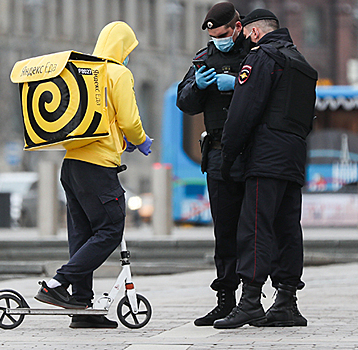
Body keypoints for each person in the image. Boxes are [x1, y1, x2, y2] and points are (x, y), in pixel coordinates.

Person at [34, 21, 152, 329]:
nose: (129, 56)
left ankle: (82, 307)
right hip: (98, 168)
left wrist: (118, 139)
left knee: (82, 235)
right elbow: (128, 118)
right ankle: (59, 284)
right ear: (123, 48)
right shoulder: (118, 73)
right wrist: (140, 140)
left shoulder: (83, 72)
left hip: (72, 166)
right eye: (129, 50)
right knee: (110, 229)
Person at [213, 9, 317, 329]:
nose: (243, 39)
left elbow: (244, 110)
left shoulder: (261, 58)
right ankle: (286, 301)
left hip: (265, 156)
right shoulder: (300, 63)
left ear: (255, 33)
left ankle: (250, 302)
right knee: (287, 228)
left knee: (255, 227)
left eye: (246, 34)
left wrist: (229, 153)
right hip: (293, 156)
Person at [176, 2, 251, 326]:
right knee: (224, 231)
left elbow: (269, 92)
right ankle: (225, 299)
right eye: (214, 35)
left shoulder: (254, 53)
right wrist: (198, 86)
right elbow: (185, 102)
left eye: (223, 34)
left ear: (236, 27)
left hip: (252, 152)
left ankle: (253, 298)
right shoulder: (204, 59)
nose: (219, 40)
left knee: (253, 229)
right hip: (219, 153)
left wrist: (237, 85)